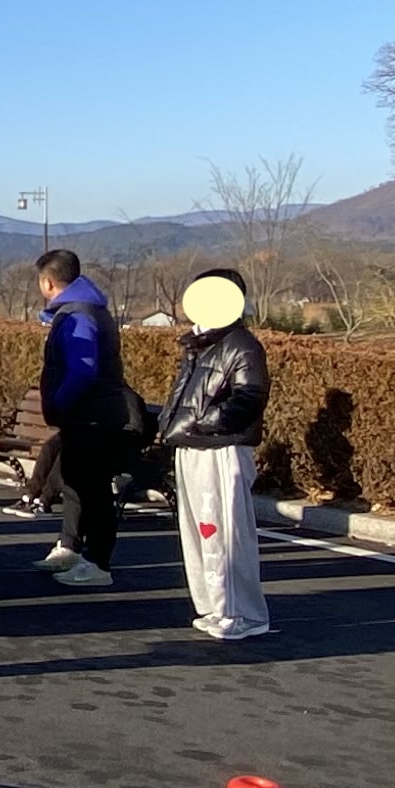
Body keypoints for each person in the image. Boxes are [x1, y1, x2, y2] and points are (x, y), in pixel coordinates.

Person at [155, 268, 271, 640]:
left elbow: (249, 397)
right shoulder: (200, 343)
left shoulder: (242, 345)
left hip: (221, 449)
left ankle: (242, 613)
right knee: (199, 533)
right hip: (192, 446)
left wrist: (205, 423)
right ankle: (214, 606)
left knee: (225, 532)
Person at [25, 247, 133, 591]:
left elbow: (82, 370)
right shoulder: (86, 309)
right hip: (89, 415)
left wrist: (58, 403)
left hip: (91, 417)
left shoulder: (79, 315)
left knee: (93, 490)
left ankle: (97, 562)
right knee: (74, 484)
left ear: (47, 282)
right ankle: (70, 546)